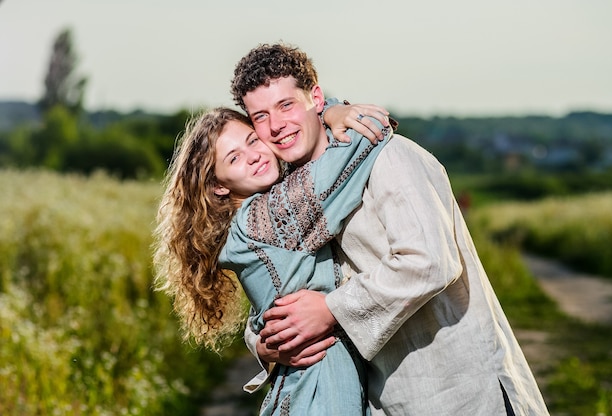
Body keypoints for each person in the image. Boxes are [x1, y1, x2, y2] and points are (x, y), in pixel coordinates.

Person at [232, 43, 550, 415]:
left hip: (461, 388)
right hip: (387, 399)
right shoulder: (296, 199)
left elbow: (429, 261)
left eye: (286, 105)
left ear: (315, 98)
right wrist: (263, 343)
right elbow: (276, 283)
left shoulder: (388, 156)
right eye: (260, 116)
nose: (276, 126)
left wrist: (331, 310)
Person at [153, 106, 392, 415]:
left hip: (315, 383)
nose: (252, 155)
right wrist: (328, 113)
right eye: (234, 158)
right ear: (219, 186)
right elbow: (365, 137)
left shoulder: (244, 225)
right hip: (318, 388)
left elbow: (264, 313)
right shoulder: (263, 217)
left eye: (253, 140)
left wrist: (260, 343)